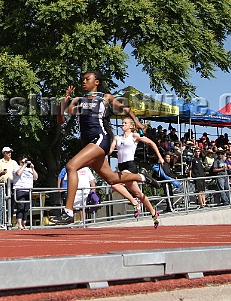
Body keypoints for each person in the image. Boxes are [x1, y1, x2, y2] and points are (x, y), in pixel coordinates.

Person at [51, 71, 159, 225]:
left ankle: (68, 212)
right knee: (112, 179)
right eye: (82, 79)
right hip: (88, 144)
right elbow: (61, 121)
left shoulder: (105, 98)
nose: (83, 81)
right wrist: (63, 102)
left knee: (71, 166)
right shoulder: (77, 100)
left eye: (87, 79)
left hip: (100, 139)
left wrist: (138, 123)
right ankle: (142, 177)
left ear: (96, 82)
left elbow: (126, 109)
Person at [108, 117, 164, 228]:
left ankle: (135, 201)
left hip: (130, 166)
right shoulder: (117, 138)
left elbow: (151, 142)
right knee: (138, 193)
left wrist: (160, 157)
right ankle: (153, 213)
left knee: (114, 183)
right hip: (121, 166)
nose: (122, 124)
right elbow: (110, 151)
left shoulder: (134, 136)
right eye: (122, 123)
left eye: (125, 123)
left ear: (131, 126)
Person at [12, 155, 38, 230]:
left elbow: (36, 177)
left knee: (26, 208)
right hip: (20, 189)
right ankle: (19, 224)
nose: (25, 163)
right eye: (24, 161)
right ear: (20, 161)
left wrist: (32, 168)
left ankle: (24, 224)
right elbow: (18, 173)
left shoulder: (29, 170)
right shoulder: (16, 167)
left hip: (28, 190)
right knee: (20, 207)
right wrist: (23, 166)